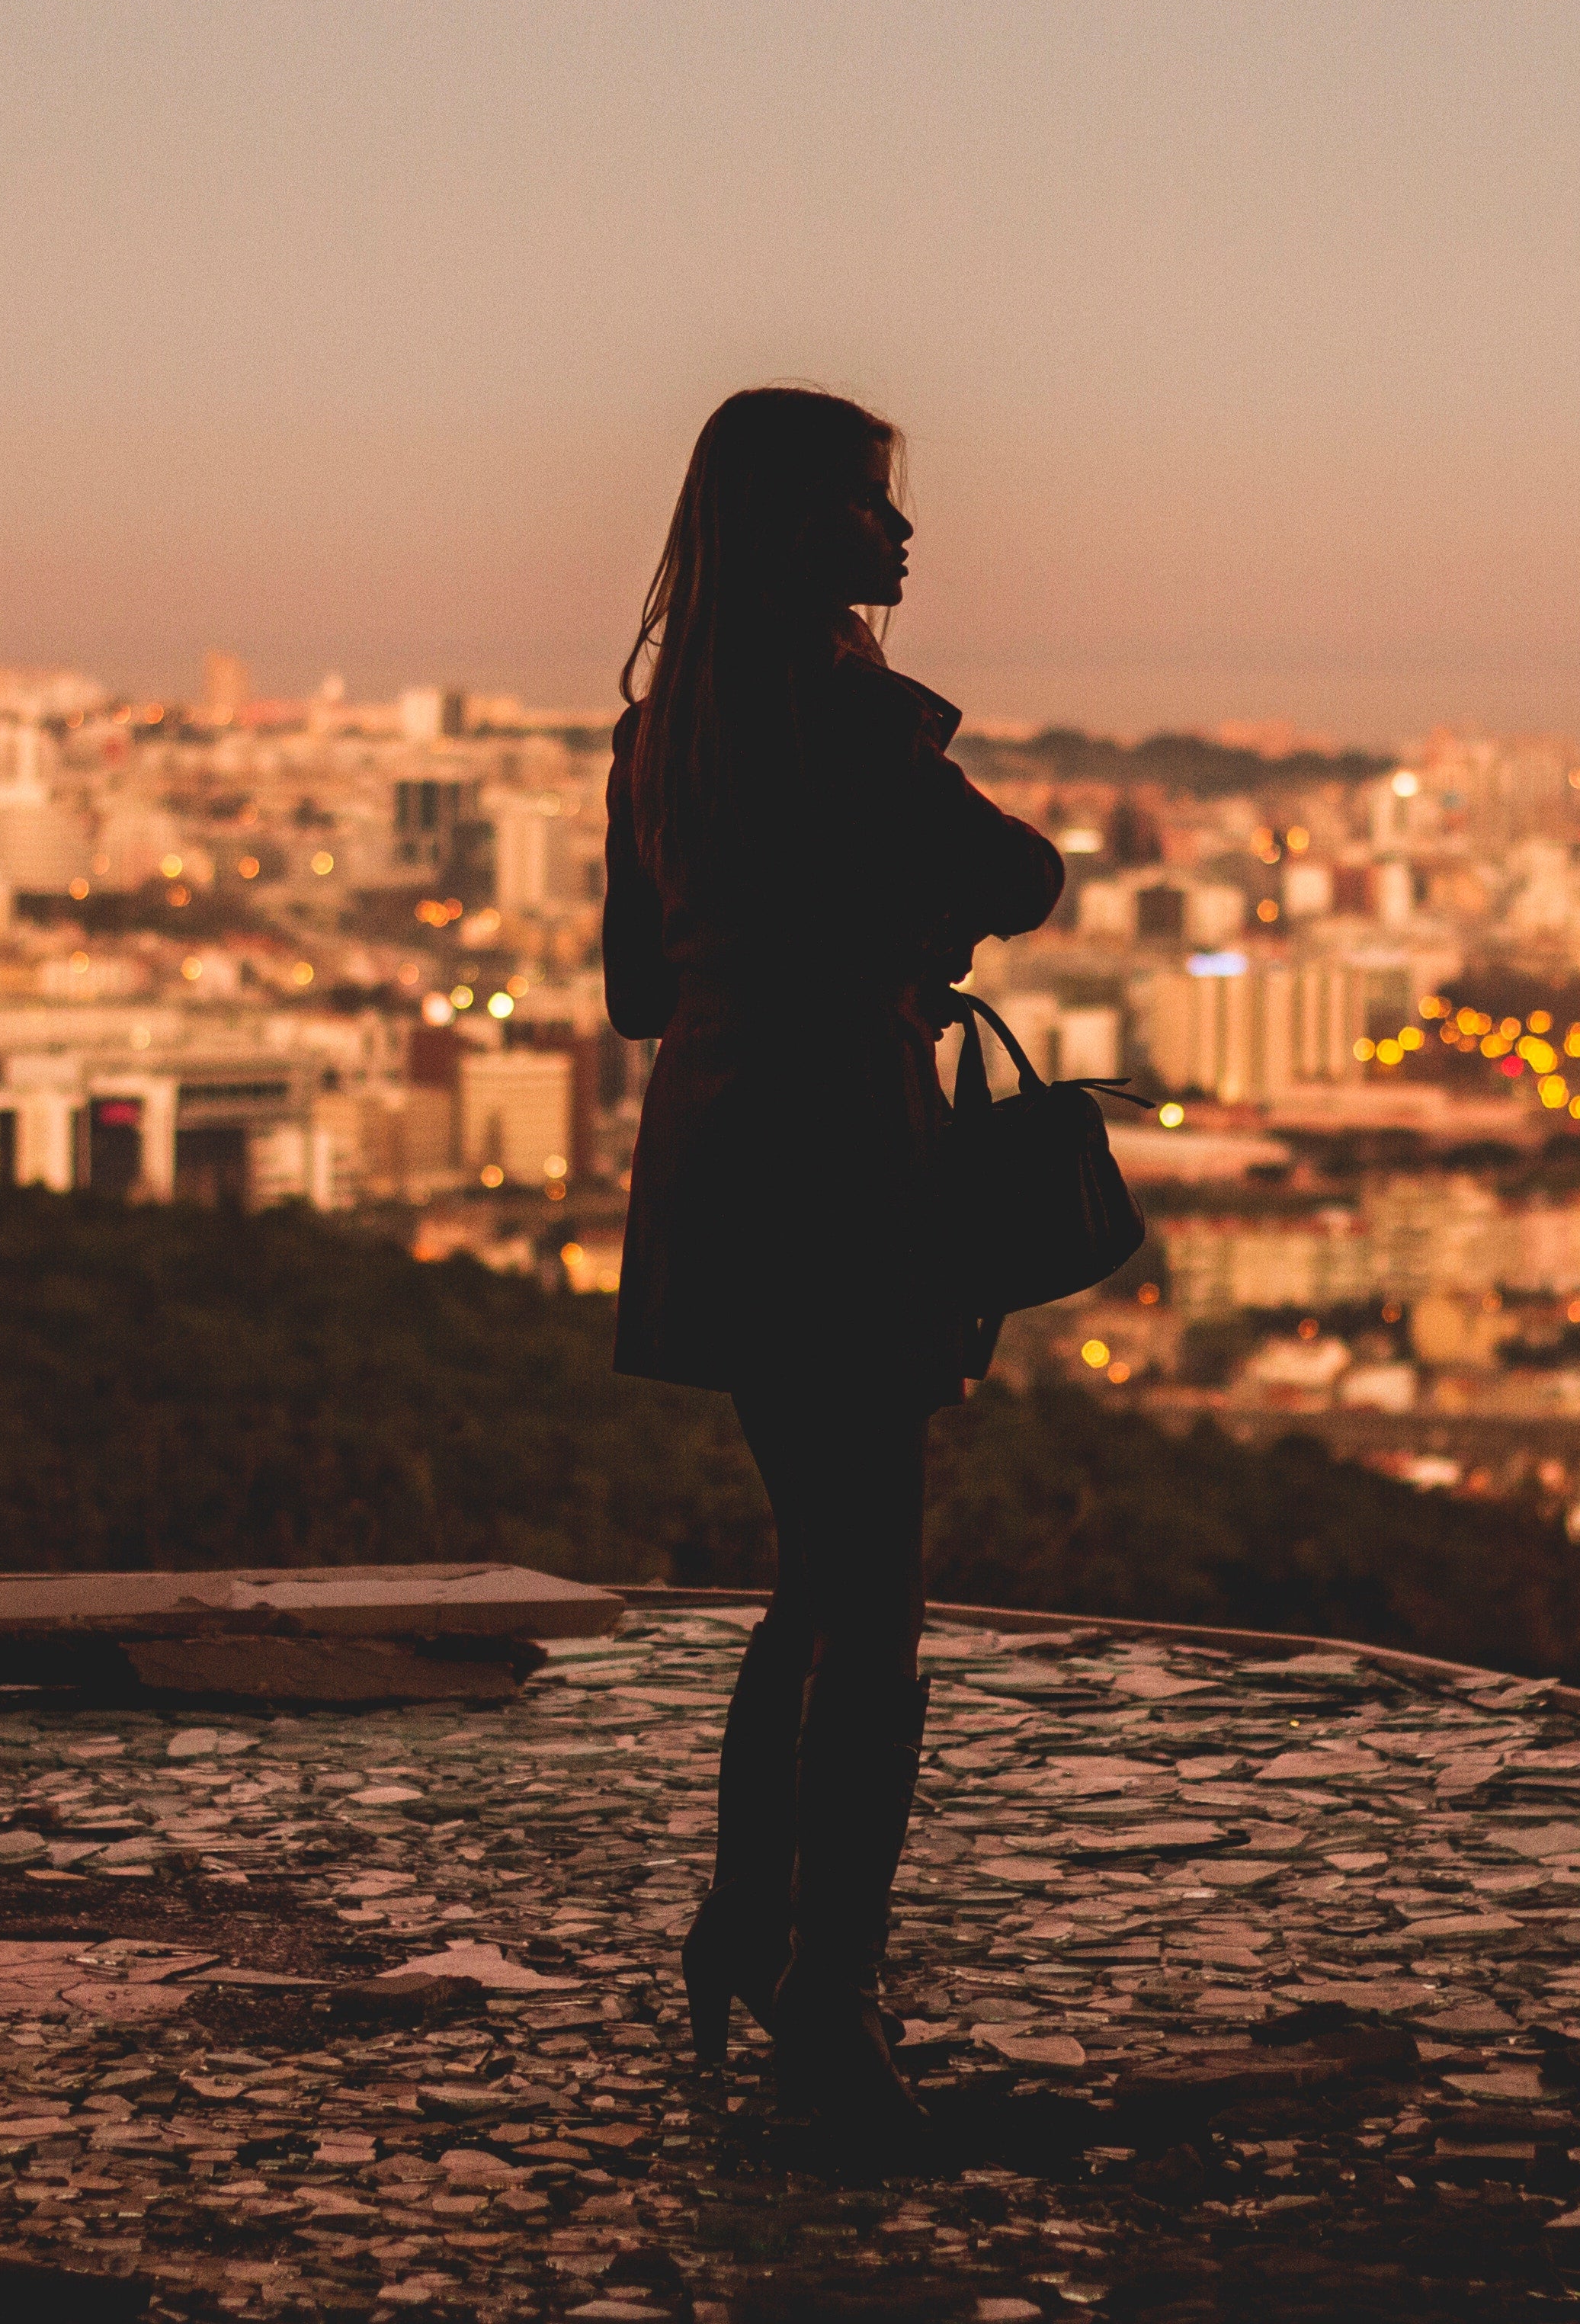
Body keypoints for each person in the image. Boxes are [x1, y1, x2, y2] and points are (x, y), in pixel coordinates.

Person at [602, 386, 1064, 2144]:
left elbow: (641, 986)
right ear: (801, 525)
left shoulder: (662, 730)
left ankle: (748, 1927)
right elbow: (1019, 875)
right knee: (871, 1604)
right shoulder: (853, 715)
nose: (903, 534)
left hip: (719, 1157)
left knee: (816, 1566)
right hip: (848, 1160)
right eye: (874, 506)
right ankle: (828, 2007)